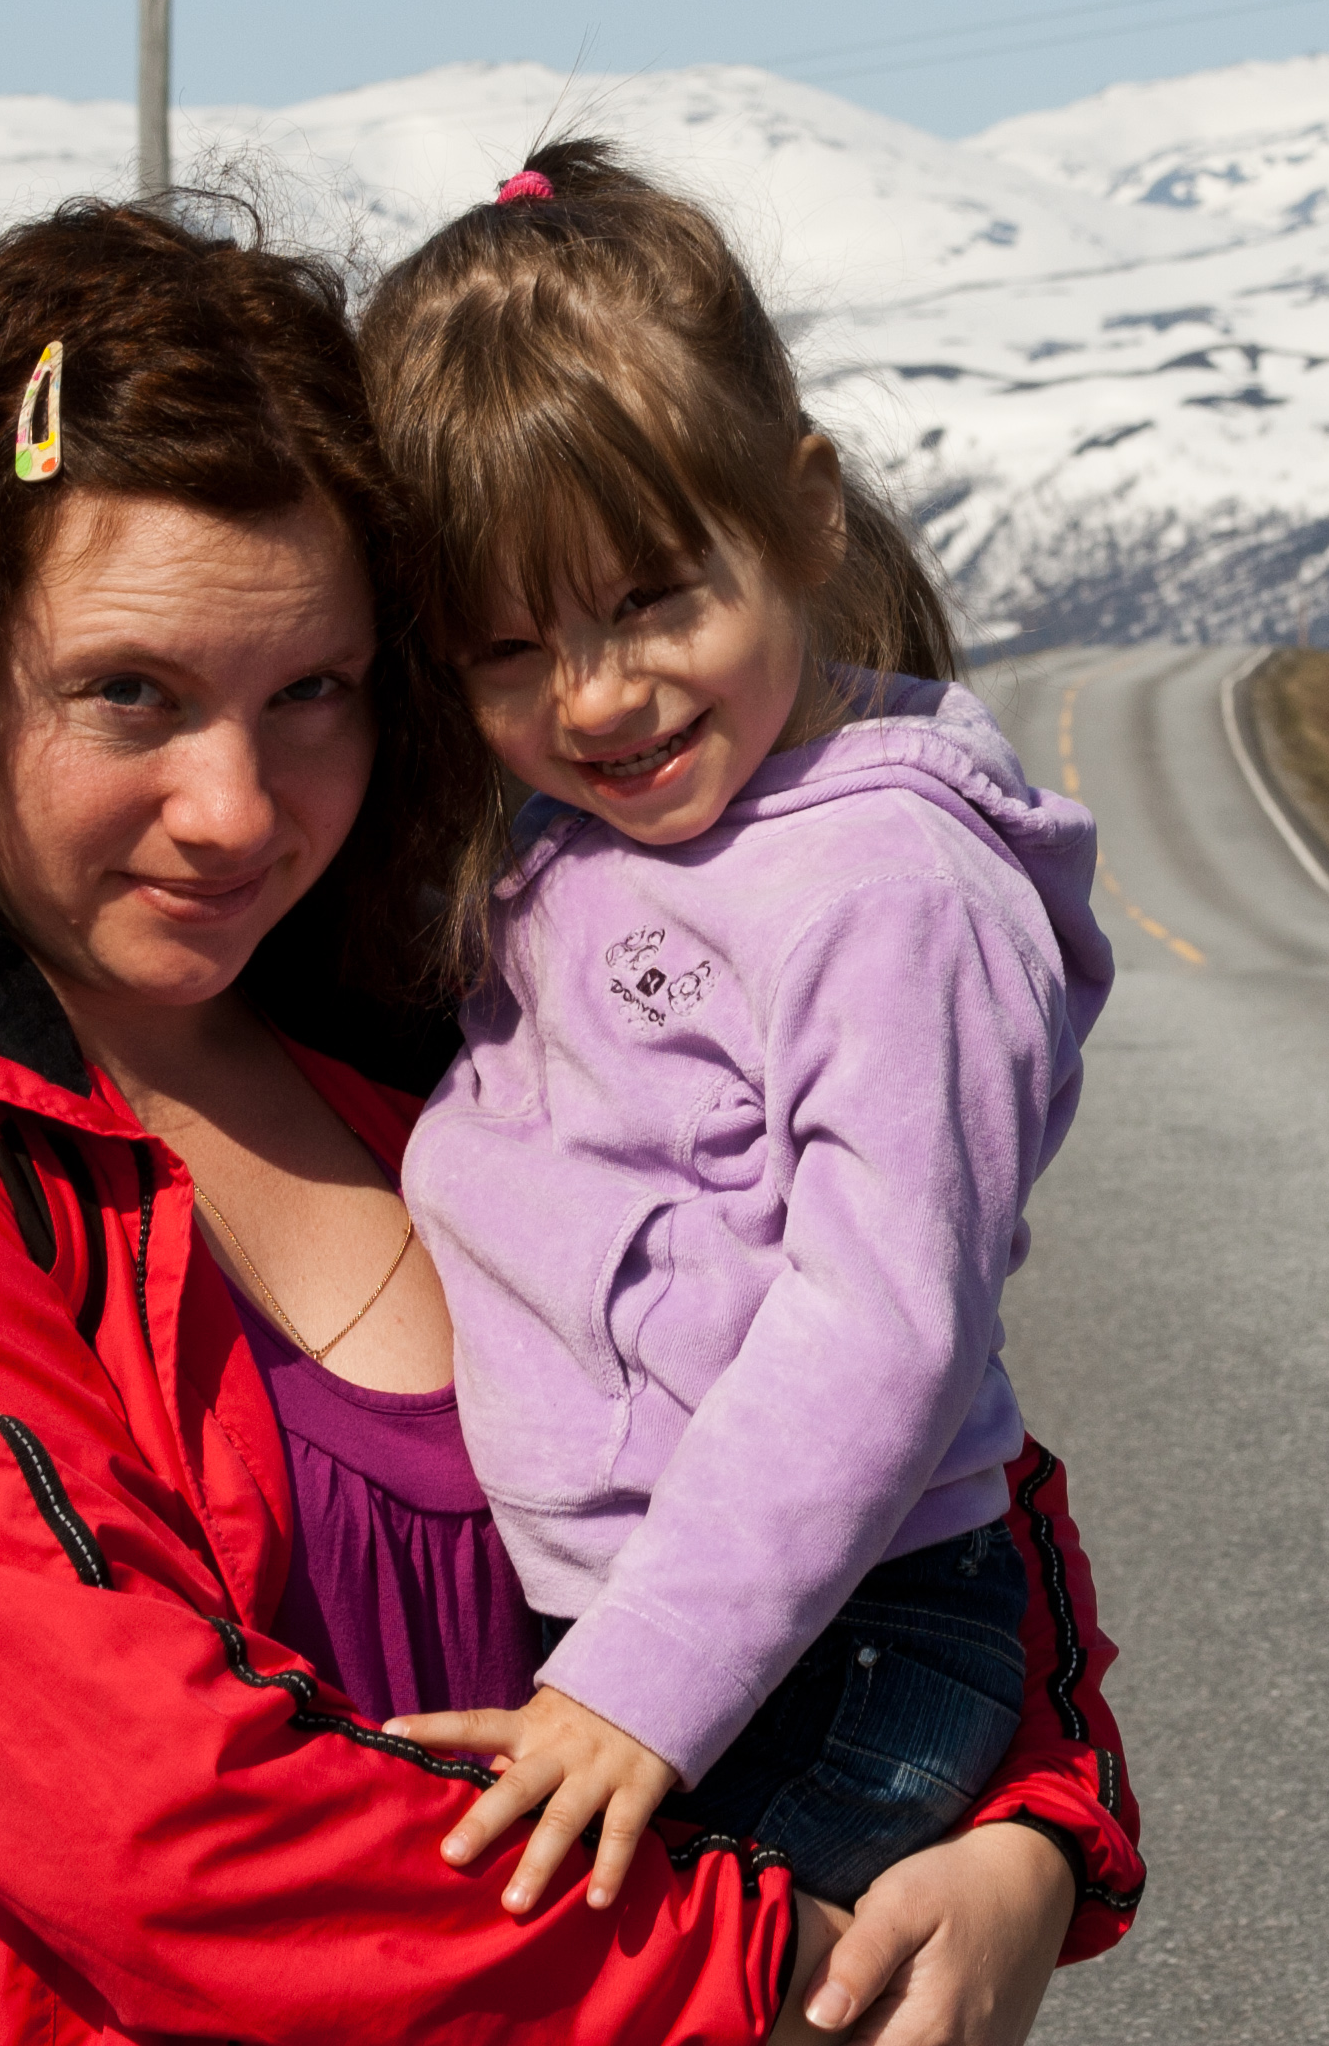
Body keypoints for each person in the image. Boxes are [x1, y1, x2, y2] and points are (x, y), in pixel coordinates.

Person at [0, 197, 1142, 2043]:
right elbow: (157, 1831)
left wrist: (1032, 1829)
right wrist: (766, 1971)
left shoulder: (421, 1005)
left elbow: (898, 1398)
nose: (235, 808)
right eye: (129, 694)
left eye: (311, 691)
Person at [351, 145, 1114, 1920]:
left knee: (611, 1985)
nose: (597, 695)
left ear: (807, 517)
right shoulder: (578, 841)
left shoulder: (889, 887)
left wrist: (643, 1682)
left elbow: (883, 1324)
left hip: (836, 1640)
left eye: (650, 600)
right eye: (510, 648)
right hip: (671, 1628)